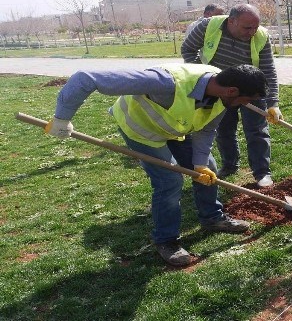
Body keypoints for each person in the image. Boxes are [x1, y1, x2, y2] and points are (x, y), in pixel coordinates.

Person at [45, 63, 268, 266]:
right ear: (232, 91)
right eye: (245, 101)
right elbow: (86, 77)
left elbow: (206, 130)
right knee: (169, 181)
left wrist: (199, 164)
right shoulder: (163, 82)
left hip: (176, 128)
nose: (245, 105)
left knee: (208, 165)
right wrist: (62, 118)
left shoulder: (221, 94)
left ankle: (212, 218)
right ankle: (167, 241)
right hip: (142, 130)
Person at [181, 3, 282, 188]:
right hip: (221, 88)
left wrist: (273, 102)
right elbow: (188, 49)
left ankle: (262, 173)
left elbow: (268, 69)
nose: (252, 32)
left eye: (255, 27)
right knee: (223, 128)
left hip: (252, 86)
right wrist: (205, 76)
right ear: (232, 21)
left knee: (257, 130)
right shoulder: (207, 26)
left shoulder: (261, 36)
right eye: (247, 27)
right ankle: (229, 165)